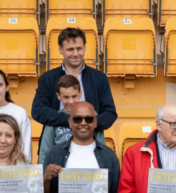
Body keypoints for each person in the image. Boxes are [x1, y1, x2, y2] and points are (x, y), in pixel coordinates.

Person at [31, 27, 117, 157]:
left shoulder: (99, 78)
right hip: (56, 149)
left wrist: (87, 124)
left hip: (91, 149)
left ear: (85, 48)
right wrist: (70, 121)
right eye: (70, 49)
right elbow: (38, 111)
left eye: (79, 48)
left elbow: (110, 114)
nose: (76, 54)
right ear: (60, 49)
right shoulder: (47, 78)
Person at [39, 75, 101, 165]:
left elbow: (101, 146)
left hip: (89, 164)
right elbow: (45, 151)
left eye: (74, 96)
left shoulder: (91, 115)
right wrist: (44, 170)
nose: (71, 101)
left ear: (80, 94)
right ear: (58, 96)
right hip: (60, 166)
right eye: (66, 97)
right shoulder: (53, 118)